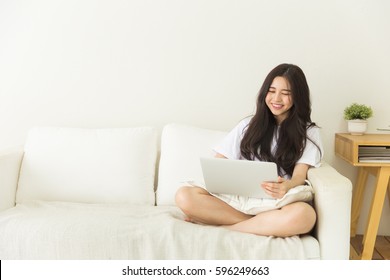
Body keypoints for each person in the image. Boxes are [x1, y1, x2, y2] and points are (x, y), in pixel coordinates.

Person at [175, 63, 323, 237]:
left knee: (305, 216)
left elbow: (299, 176)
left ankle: (225, 229)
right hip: (239, 200)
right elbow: (218, 162)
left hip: (277, 202)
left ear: (298, 97)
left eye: (286, 94)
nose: (276, 99)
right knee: (184, 195)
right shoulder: (248, 125)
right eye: (271, 91)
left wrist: (286, 186)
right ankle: (259, 224)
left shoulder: (309, 132)